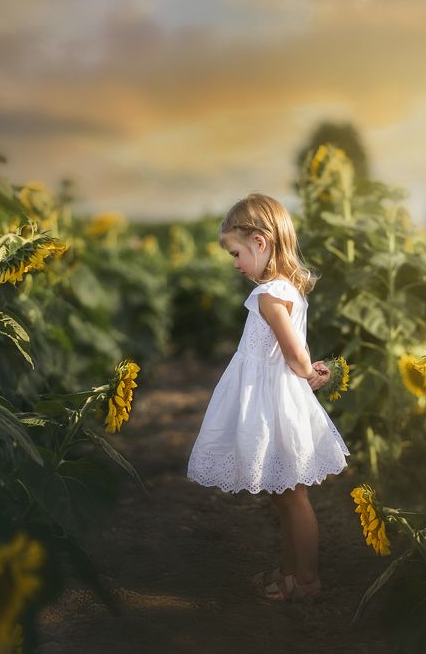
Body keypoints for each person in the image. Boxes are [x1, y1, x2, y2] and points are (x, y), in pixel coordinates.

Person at [186, 192, 352, 603]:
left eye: (236, 253)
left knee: (292, 497)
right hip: (276, 398)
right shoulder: (284, 289)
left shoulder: (267, 296)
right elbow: (294, 351)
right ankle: (293, 571)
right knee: (284, 493)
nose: (236, 264)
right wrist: (308, 370)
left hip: (271, 404)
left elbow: (294, 354)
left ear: (260, 242)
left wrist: (307, 370)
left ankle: (307, 580)